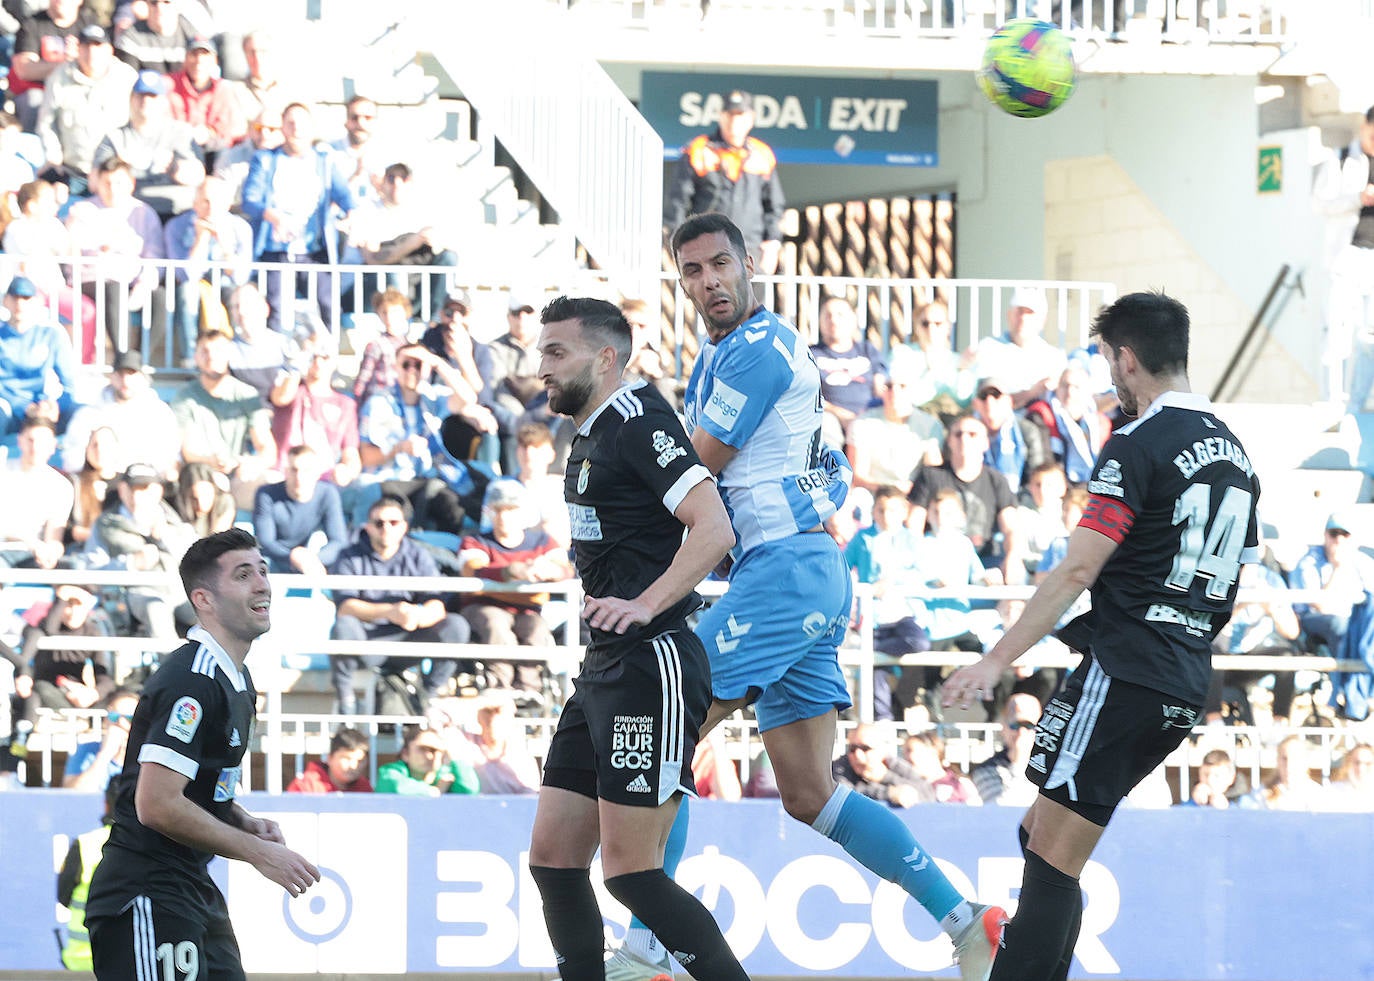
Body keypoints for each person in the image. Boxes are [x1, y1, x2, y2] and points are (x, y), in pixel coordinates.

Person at [670, 213, 1004, 980]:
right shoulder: (725, 351)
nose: (710, 280)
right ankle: (967, 921)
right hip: (802, 571)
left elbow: (690, 473)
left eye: (721, 263)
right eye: (693, 271)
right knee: (809, 792)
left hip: (784, 574)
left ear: (749, 262)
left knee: (666, 731)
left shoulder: (755, 350)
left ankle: (650, 950)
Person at [942, 290, 1262, 981]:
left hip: (1126, 668)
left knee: (1053, 858)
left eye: (1108, 362)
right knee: (1041, 835)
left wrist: (997, 659)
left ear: (1126, 358)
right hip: (1183, 677)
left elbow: (1079, 566)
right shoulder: (1237, 456)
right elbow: (1235, 582)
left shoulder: (1137, 443)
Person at [527, 294, 751, 981]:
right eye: (542, 351)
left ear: (606, 357)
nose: (542, 366)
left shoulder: (639, 420)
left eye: (556, 352)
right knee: (554, 860)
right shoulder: (589, 432)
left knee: (631, 873)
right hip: (604, 665)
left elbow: (713, 526)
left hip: (650, 663)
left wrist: (645, 602)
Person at [84, 529, 322, 980]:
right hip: (147, 889)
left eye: (264, 571)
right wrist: (257, 852)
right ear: (204, 599)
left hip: (190, 886)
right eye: (243, 574)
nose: (262, 584)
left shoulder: (237, 680)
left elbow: (191, 787)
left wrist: (239, 817)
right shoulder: (192, 679)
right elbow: (156, 805)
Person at [328, 493, 469, 714]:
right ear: (368, 527)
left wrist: (417, 617)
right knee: (344, 626)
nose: (386, 528)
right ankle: (346, 701)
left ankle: (428, 697)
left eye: (393, 522)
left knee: (456, 626)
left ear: (404, 526)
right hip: (366, 641)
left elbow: (437, 606)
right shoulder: (348, 556)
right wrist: (390, 611)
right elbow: (345, 607)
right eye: (379, 523)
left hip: (408, 639)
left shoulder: (418, 555)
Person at [240, 101, 355, 332]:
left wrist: (352, 215)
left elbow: (345, 196)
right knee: (277, 309)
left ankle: (327, 358)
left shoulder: (325, 161)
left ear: (312, 128)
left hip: (314, 251)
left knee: (327, 306)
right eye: (290, 123)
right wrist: (272, 216)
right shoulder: (265, 159)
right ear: (282, 127)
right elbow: (250, 199)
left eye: (301, 124)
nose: (296, 129)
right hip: (277, 251)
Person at [456, 478, 573, 698]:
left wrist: (548, 570)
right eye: (498, 510)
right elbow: (473, 570)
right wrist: (511, 572)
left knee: (536, 630)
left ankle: (530, 691)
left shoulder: (542, 542)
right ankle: (499, 688)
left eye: (511, 509)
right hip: (485, 607)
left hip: (528, 611)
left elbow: (564, 570)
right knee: (496, 625)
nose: (503, 517)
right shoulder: (476, 541)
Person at [665, 90, 784, 274]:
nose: (735, 122)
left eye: (741, 116)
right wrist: (678, 247)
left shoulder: (762, 154)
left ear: (751, 118)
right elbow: (677, 205)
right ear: (721, 117)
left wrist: (772, 245)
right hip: (705, 250)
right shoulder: (698, 150)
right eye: (730, 115)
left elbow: (774, 207)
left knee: (750, 302)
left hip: (749, 250)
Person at [89, 462, 197, 640]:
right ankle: (170, 665)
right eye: (136, 488)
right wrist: (131, 563)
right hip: (136, 592)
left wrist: (165, 537)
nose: (140, 495)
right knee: (156, 608)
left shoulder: (174, 519)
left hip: (179, 588)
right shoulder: (105, 524)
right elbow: (91, 571)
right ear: (123, 490)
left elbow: (197, 560)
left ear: (159, 491)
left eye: (148, 488)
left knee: (211, 608)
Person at [908, 413, 1021, 581]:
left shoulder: (997, 480)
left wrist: (1013, 557)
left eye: (972, 434)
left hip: (987, 560)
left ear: (985, 443)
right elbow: (913, 525)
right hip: (940, 559)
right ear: (949, 441)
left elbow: (1012, 527)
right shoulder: (930, 476)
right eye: (958, 434)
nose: (964, 439)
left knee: (1016, 578)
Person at [1313, 107, 1374, 409]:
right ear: (1364, 127)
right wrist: (1358, 198)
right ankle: (1333, 401)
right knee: (1338, 327)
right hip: (1346, 255)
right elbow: (1320, 203)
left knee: (1368, 335)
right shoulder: (1339, 160)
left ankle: (1358, 403)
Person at [35, 24, 136, 198]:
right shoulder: (59, 78)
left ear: (110, 49)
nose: (91, 52)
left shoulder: (127, 77)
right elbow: (46, 124)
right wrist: (54, 158)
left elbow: (139, 123)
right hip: (73, 173)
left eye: (97, 45)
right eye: (86, 46)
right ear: (78, 49)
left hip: (116, 176)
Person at [163, 177, 253, 367]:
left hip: (227, 285)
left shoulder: (241, 228)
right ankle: (192, 358)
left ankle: (237, 358)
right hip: (196, 285)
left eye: (218, 201)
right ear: (195, 203)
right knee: (189, 291)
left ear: (228, 204)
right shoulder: (176, 227)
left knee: (241, 298)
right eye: (205, 201)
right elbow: (185, 275)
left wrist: (225, 245)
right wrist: (201, 239)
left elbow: (240, 276)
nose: (211, 208)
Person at [92, 69, 206, 218]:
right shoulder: (115, 138)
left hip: (177, 210)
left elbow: (198, 176)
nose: (145, 101)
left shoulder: (181, 133)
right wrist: (121, 171)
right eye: (141, 96)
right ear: (131, 98)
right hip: (130, 213)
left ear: (163, 101)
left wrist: (174, 169)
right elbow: (94, 183)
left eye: (152, 96)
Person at [61, 348, 181, 479]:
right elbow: (72, 456)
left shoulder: (159, 413)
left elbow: (169, 455)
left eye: (131, 374)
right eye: (120, 374)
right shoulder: (88, 414)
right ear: (112, 377)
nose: (125, 380)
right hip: (99, 482)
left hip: (144, 483)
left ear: (142, 378)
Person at [11, 582, 114, 724]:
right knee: (41, 690)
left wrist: (93, 694)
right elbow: (49, 629)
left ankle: (81, 716)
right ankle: (79, 718)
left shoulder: (93, 632)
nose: (73, 612)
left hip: (76, 691)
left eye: (78, 605)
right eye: (68, 605)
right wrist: (62, 596)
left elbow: (103, 674)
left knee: (110, 699)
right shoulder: (41, 629)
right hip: (46, 687)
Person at [268, 332, 362, 486]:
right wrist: (300, 362)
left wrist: (346, 471)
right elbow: (281, 398)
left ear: (334, 361)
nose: (318, 362)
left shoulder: (345, 404)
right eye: (313, 356)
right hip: (286, 476)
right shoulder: (292, 390)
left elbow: (351, 453)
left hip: (325, 479)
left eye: (325, 356)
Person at [846, 356, 944, 495]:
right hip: (874, 494)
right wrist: (891, 490)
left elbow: (933, 474)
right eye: (889, 386)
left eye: (902, 386)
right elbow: (858, 476)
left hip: (915, 495)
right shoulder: (862, 423)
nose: (894, 392)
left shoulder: (931, 426)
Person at [0, 274, 80, 436]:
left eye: (26, 298)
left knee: (83, 412)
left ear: (36, 302)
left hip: (41, 405)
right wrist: (22, 406)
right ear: (5, 301)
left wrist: (55, 405)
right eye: (15, 297)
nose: (19, 304)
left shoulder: (50, 335)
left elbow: (70, 382)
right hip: (8, 404)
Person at [1290, 510, 1374, 662]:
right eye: (1334, 533)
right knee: (1339, 624)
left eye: (1344, 534)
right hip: (1314, 619)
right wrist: (1338, 567)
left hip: (1355, 617)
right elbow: (1320, 605)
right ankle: (1344, 677)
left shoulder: (1364, 562)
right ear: (1325, 535)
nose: (1339, 540)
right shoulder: (1309, 561)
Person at [252, 445, 348, 576]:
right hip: (276, 559)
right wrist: (292, 557)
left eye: (306, 470)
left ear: (317, 472)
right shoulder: (266, 494)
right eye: (294, 470)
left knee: (320, 539)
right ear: (286, 471)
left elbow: (338, 541)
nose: (299, 476)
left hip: (312, 560)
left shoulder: (328, 493)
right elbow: (265, 542)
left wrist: (314, 559)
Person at [969, 286, 1067, 409]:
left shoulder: (1054, 358)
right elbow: (985, 402)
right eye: (1019, 311)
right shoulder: (987, 348)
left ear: (1043, 320)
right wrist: (1033, 392)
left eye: (1030, 313)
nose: (1023, 318)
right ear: (1009, 315)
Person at [809, 294, 887, 448]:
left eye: (840, 315)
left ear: (854, 318)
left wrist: (867, 414)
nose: (834, 320)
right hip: (830, 417)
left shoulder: (867, 350)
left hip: (867, 415)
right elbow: (808, 395)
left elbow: (881, 389)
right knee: (826, 425)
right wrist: (840, 413)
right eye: (828, 315)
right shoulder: (811, 354)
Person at [57, 784, 119, 971]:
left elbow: (63, 896)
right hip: (121, 960)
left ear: (106, 805)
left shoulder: (84, 843)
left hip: (80, 961)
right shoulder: (143, 847)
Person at [0, 414, 72, 570]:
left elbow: (54, 536)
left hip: (33, 556)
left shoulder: (61, 486)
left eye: (42, 442)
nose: (35, 447)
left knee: (74, 568)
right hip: (3, 550)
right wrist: (31, 543)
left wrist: (52, 552)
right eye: (30, 440)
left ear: (53, 445)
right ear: (20, 441)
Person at [166, 36, 247, 158]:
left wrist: (209, 133)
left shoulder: (224, 89)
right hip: (176, 148)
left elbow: (231, 130)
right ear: (186, 58)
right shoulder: (169, 84)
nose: (199, 60)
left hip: (213, 150)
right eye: (194, 54)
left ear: (214, 60)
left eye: (205, 55)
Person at [971, 375, 1050, 496]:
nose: (989, 401)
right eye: (984, 396)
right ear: (975, 404)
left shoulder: (1027, 431)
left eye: (996, 395)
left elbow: (1036, 475)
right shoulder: (964, 432)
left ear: (1009, 401)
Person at [832, 722, 934, 808]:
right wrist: (889, 793)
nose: (858, 755)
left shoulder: (893, 764)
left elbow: (927, 793)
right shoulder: (839, 767)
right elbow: (846, 796)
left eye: (865, 748)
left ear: (881, 750)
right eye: (852, 748)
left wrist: (886, 777)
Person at [970, 692, 1044, 808]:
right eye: (1015, 725)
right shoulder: (985, 770)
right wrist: (1018, 763)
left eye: (1028, 726)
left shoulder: (1050, 768)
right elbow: (1001, 809)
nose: (1021, 733)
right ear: (1003, 727)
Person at [63, 688, 139, 792]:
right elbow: (72, 795)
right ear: (105, 721)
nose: (120, 723)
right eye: (114, 716)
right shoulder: (88, 749)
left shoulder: (147, 755)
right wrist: (105, 754)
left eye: (129, 718)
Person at [467, 696, 541, 794]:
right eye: (488, 713)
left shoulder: (523, 759)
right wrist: (479, 702)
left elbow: (529, 798)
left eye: (498, 713)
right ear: (479, 719)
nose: (492, 720)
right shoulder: (466, 745)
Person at [1238, 735, 1329, 812]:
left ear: (1304, 761)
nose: (1288, 765)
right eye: (1284, 759)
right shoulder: (1261, 793)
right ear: (1277, 760)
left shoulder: (1317, 794)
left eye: (1295, 759)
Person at [113, 0, 195, 74]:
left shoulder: (192, 35)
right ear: (146, 5)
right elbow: (127, 80)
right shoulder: (130, 37)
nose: (160, 8)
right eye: (154, 2)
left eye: (166, 2)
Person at [284, 726, 373, 793]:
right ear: (329, 758)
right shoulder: (306, 785)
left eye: (360, 761)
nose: (353, 766)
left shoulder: (365, 788)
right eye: (347, 758)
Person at [904, 729, 982, 805]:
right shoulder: (905, 786)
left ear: (933, 751)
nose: (906, 757)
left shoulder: (961, 783)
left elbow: (977, 814)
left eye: (910, 750)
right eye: (905, 752)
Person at [1324, 741, 1374, 812]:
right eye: (1357, 762)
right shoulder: (1332, 793)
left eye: (1368, 763)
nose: (1361, 768)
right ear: (1347, 764)